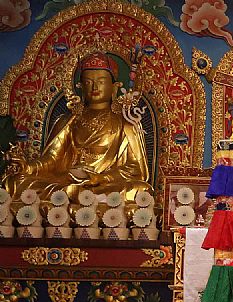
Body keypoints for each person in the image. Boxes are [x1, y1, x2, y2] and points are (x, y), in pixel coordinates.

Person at [4, 52, 152, 201]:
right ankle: (75, 195)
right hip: (67, 181)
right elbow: (52, 159)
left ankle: (74, 196)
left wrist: (101, 178)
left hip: (103, 185)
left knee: (140, 189)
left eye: (101, 81)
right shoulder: (68, 121)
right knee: (15, 182)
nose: (94, 87)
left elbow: (136, 170)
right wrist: (28, 167)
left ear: (115, 87)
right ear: (81, 87)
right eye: (88, 82)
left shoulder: (126, 123)